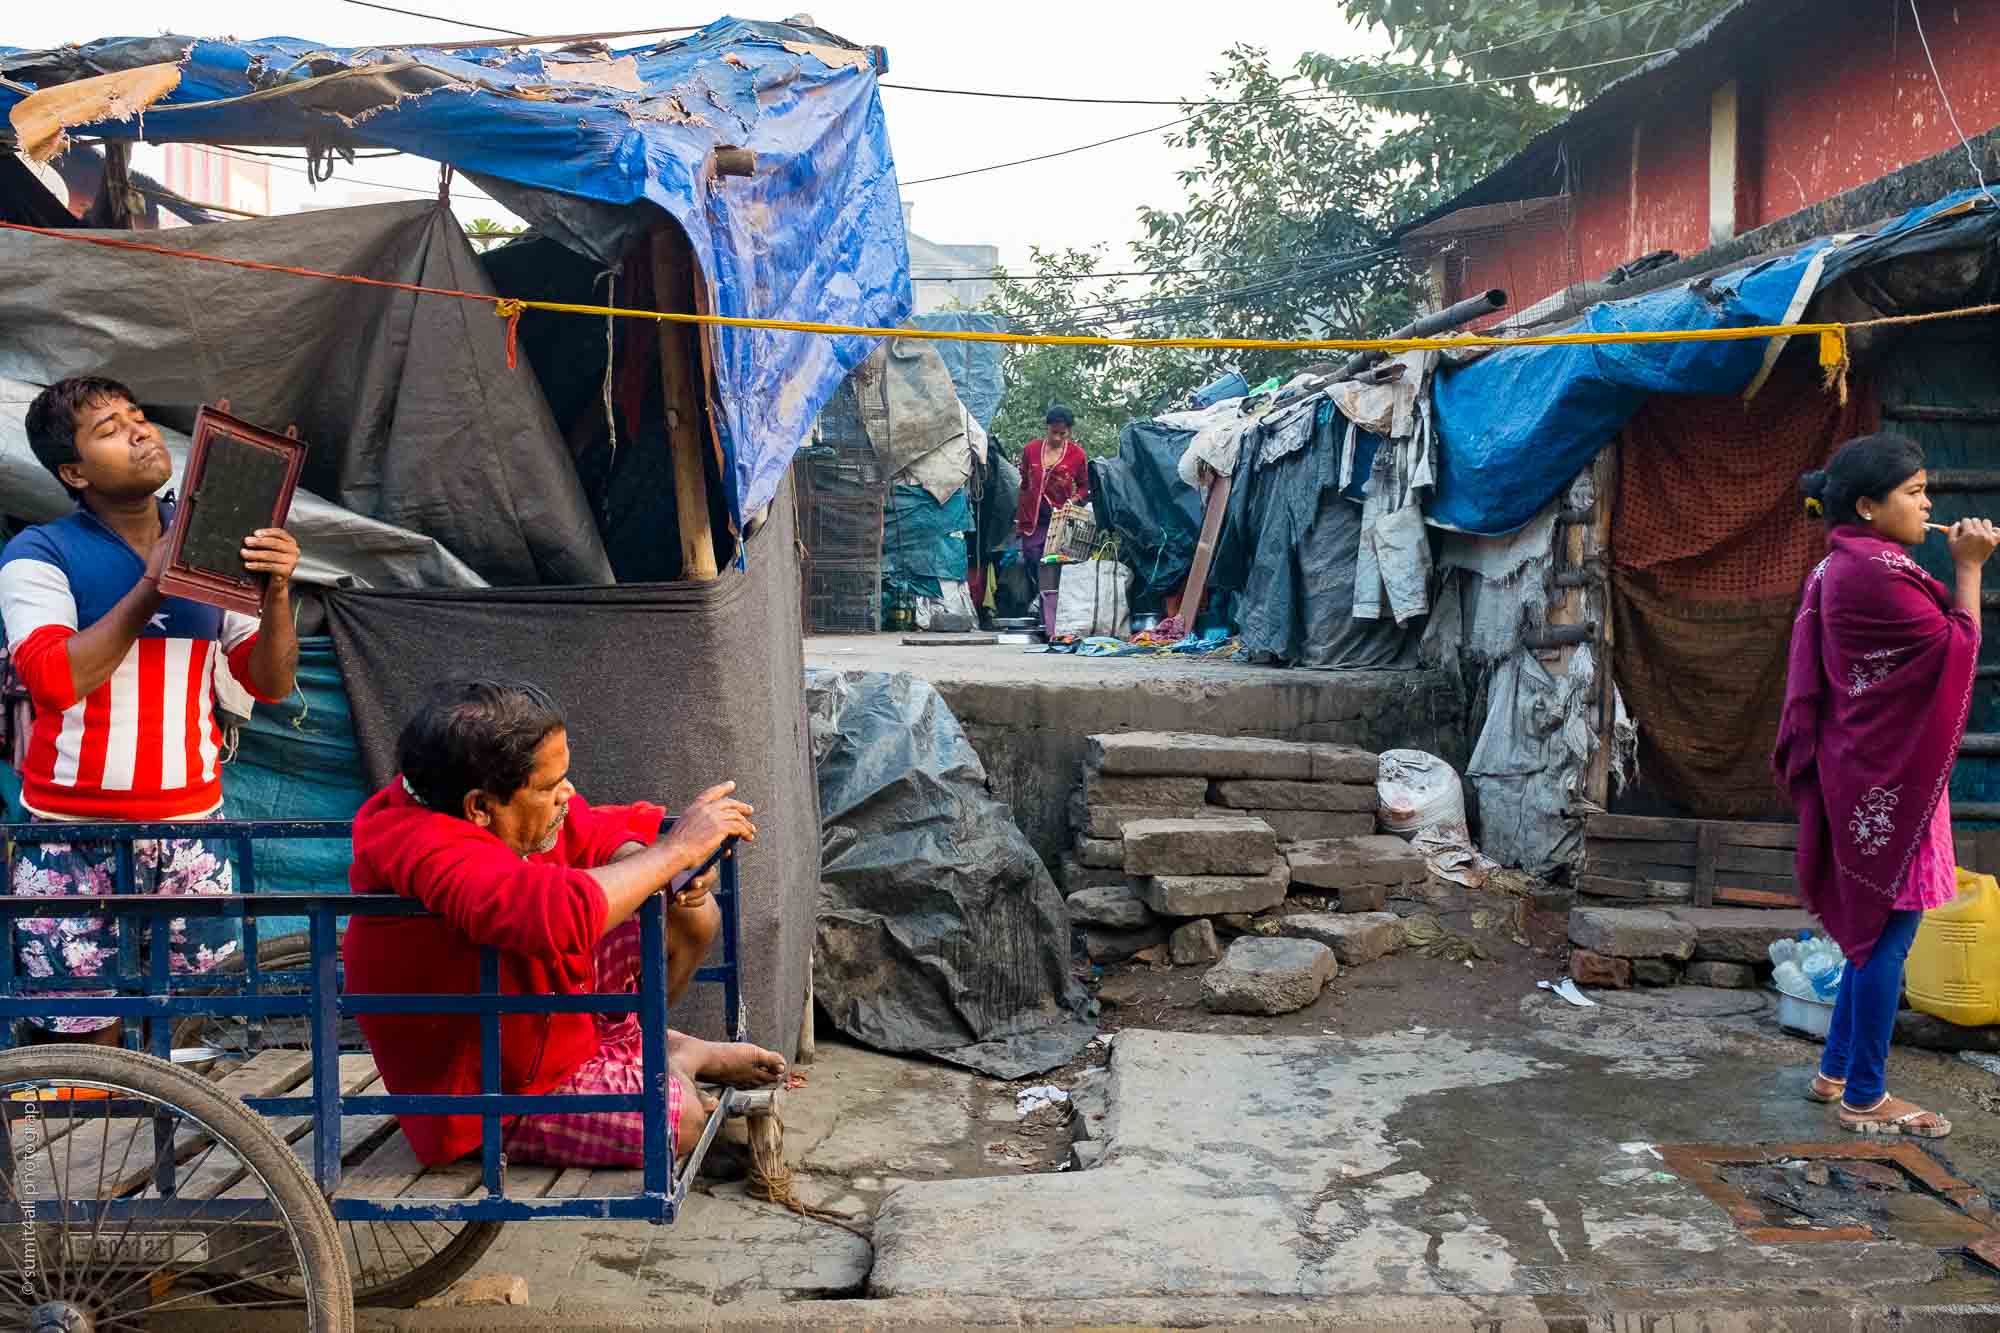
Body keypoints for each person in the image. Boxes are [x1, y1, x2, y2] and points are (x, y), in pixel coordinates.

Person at [340, 679, 788, 1168]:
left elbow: (590, 828)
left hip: (526, 1015)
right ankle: (668, 1059)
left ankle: (649, 1049)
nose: (567, 794)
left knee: (690, 912)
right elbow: (548, 917)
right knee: (682, 1122)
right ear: (480, 808)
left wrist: (667, 869)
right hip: (487, 1088)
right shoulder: (423, 841)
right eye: (550, 787)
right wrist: (674, 852)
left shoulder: (483, 804)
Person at [0, 376, 300, 1044]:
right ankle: (78, 1139)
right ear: (73, 472)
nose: (138, 430)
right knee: (81, 1052)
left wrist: (277, 591)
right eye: (109, 428)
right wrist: (152, 582)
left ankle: (185, 1151)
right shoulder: (38, 552)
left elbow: (270, 680)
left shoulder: (215, 545)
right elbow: (53, 679)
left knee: (196, 1037)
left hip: (192, 831)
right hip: (71, 839)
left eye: (137, 417)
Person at [1775, 433, 2000, 1138]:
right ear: (1868, 506)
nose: (1929, 503)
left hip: (1871, 774)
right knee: (1888, 937)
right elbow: (1956, 648)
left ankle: (1835, 1069)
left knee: (1869, 937)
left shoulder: (1848, 565)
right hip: (1886, 784)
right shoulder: (1872, 574)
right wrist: (1969, 569)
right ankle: (1866, 1095)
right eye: (1915, 491)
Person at [1013, 404, 1090, 568]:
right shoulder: (1031, 450)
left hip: (1058, 520)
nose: (1057, 438)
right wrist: (1019, 519)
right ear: (1047, 427)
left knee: (1053, 563)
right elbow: (1024, 484)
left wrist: (1073, 500)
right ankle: (1034, 592)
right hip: (1032, 519)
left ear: (1069, 431)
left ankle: (1048, 593)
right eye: (1053, 432)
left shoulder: (1077, 455)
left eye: (1062, 434)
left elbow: (1085, 487)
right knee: (1032, 558)